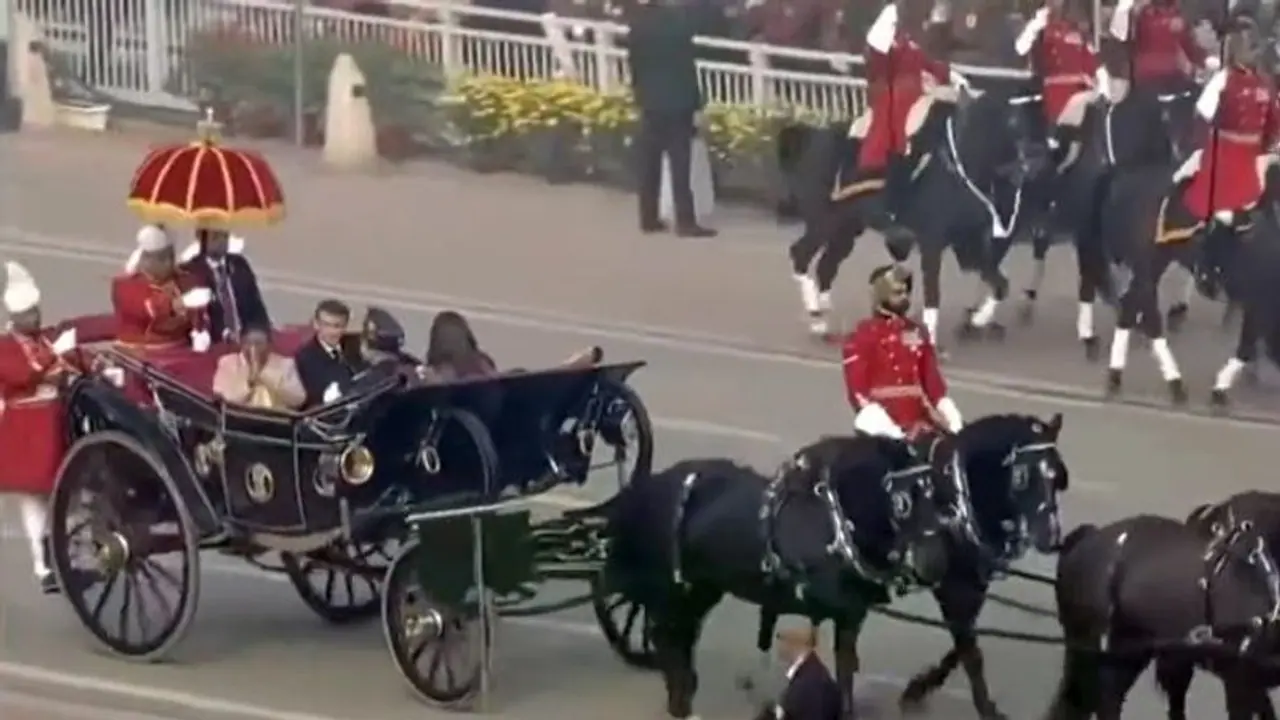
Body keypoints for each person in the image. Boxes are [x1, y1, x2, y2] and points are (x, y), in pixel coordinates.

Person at [0, 262, 84, 594]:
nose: (35, 318)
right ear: (15, 316)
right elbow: (22, 376)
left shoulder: (46, 338)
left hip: (52, 422)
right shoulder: (5, 348)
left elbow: (69, 364)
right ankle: (42, 565)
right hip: (26, 429)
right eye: (29, 314)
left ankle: (67, 558)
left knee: (66, 495)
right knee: (33, 502)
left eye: (36, 311)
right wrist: (54, 359)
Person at [853, 2, 969, 206]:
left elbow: (928, 64)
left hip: (914, 95)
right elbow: (877, 57)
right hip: (894, 100)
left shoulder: (910, 43)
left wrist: (952, 77)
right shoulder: (886, 47)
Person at [625, 0, 716, 238]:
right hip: (678, 103)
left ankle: (648, 216)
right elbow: (686, 68)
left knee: (649, 163)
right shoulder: (679, 24)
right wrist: (697, 103)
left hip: (650, 101)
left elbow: (634, 64)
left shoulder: (638, 24)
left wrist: (639, 93)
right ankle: (685, 221)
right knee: (680, 166)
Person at [842, 264, 963, 439]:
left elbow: (932, 381)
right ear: (881, 295)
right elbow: (858, 391)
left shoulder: (917, 331)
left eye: (906, 292)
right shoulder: (861, 335)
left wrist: (948, 412)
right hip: (881, 426)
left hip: (921, 422)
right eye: (897, 293)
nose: (905, 297)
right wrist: (891, 431)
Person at [1180, 19, 1280, 227]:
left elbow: (1202, 116)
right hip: (1254, 155)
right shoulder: (1267, 82)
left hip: (1226, 158)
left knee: (1188, 186)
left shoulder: (1224, 78)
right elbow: (1274, 125)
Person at [1015, 0, 1111, 170]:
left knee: (1080, 136)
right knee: (1065, 138)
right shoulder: (1042, 27)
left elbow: (1093, 61)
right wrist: (1035, 26)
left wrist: (1102, 83)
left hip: (1083, 90)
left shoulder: (1078, 31)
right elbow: (1020, 48)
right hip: (1057, 91)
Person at [112, 225, 213, 352]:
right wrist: (180, 303)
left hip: (180, 348)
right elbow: (149, 309)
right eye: (161, 258)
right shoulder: (126, 284)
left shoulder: (184, 279)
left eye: (171, 256)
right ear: (145, 259)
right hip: (141, 351)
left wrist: (201, 331)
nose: (169, 263)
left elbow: (198, 313)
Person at [178, 230, 269, 343]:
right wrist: (227, 335)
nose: (222, 241)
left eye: (225, 236)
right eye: (216, 237)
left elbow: (256, 306)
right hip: (213, 343)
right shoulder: (191, 271)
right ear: (203, 239)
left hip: (247, 340)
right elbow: (198, 319)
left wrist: (259, 329)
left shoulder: (239, 264)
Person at [1109, 0, 1215, 95]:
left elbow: (1192, 47)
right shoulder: (1140, 14)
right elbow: (1121, 37)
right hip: (1150, 81)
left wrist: (1199, 65)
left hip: (1174, 80)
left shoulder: (1182, 15)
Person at [752, 624, 841, 720]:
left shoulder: (809, 683)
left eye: (782, 639)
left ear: (795, 644)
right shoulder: (812, 675)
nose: (778, 647)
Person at [212, 324, 306, 410]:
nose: (253, 349)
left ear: (269, 345)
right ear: (241, 344)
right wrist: (250, 384)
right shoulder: (228, 363)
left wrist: (264, 376)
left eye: (258, 343)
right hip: (240, 418)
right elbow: (223, 400)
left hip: (277, 419)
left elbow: (298, 399)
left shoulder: (286, 364)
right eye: (248, 343)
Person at [293, 299, 358, 408]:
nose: (332, 332)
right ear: (316, 324)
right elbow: (313, 398)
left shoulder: (352, 347)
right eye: (326, 325)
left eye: (337, 326)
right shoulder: (306, 357)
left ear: (345, 326)